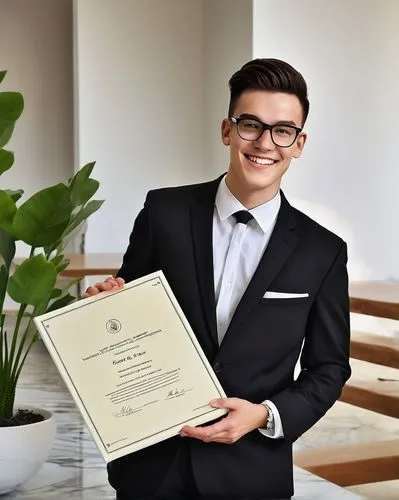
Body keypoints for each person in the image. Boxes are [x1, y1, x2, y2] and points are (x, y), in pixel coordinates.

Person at [84, 58, 351, 500]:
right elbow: (126, 310)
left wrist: (264, 415)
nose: (266, 143)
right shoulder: (164, 213)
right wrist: (105, 302)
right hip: (151, 466)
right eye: (251, 125)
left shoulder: (323, 251)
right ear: (228, 130)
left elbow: (329, 368)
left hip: (250, 473)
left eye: (283, 130)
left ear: (299, 143)